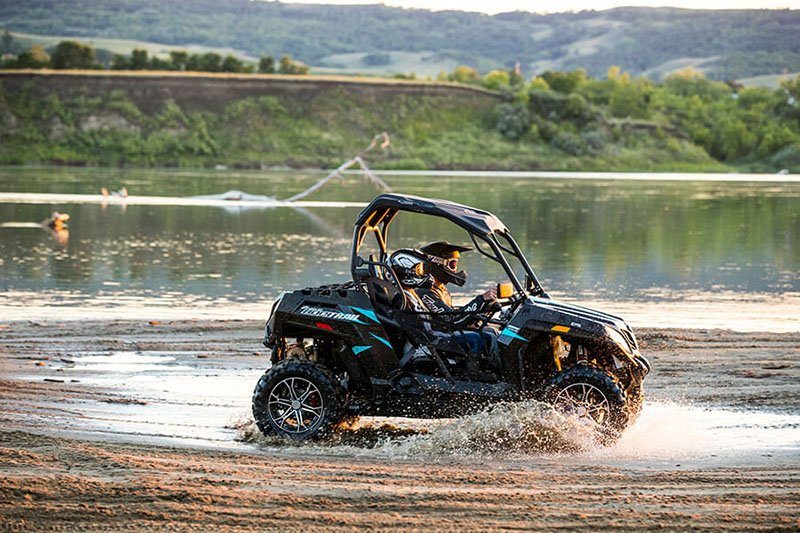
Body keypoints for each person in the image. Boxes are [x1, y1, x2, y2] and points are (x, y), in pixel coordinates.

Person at [393, 241, 499, 360]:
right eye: (452, 264)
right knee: (484, 338)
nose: (455, 270)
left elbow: (449, 316)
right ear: (438, 264)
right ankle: (478, 370)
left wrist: (483, 308)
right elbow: (452, 320)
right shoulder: (424, 292)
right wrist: (480, 300)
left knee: (491, 331)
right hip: (433, 341)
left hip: (440, 333)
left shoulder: (440, 289)